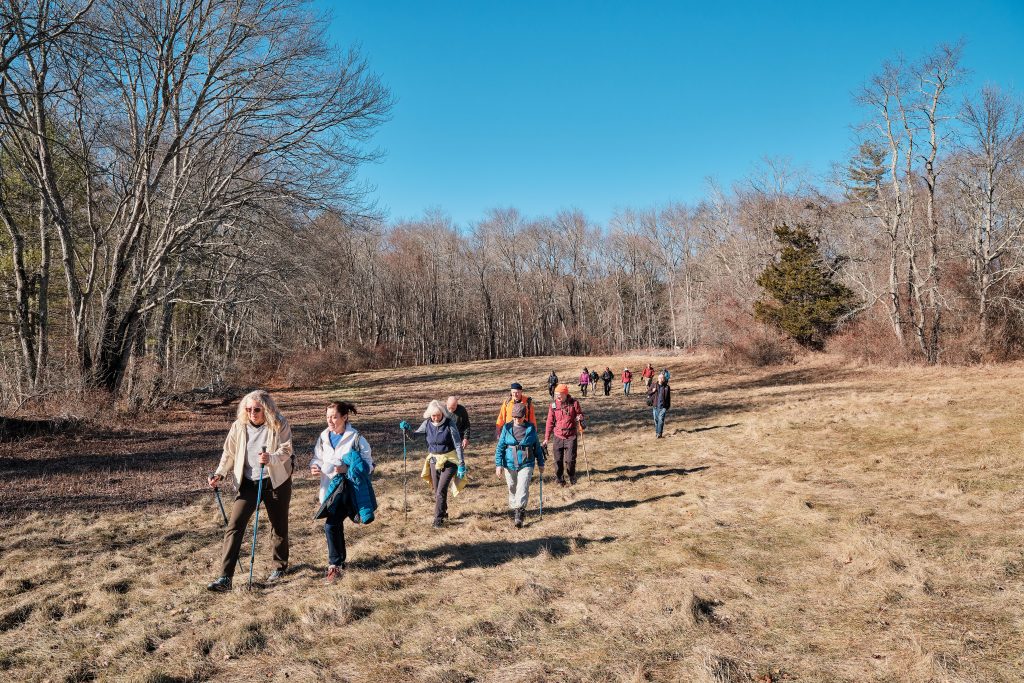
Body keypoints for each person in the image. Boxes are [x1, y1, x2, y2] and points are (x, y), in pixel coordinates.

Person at [207, 390, 294, 592]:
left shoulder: (279, 423)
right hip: (248, 483)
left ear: (266, 409)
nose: (252, 413)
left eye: (256, 409)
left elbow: (287, 449)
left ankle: (280, 567)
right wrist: (219, 474)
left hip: (275, 481)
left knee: (279, 525)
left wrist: (270, 458)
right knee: (234, 526)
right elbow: (229, 453)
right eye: (248, 409)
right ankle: (225, 578)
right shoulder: (239, 426)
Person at [310, 401, 374, 584]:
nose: (330, 420)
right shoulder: (323, 437)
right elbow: (317, 457)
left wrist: (347, 468)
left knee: (331, 525)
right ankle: (340, 562)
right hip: (330, 490)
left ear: (344, 417)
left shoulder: (356, 438)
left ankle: (334, 566)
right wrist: (314, 466)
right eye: (328, 417)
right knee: (335, 525)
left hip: (348, 491)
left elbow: (369, 465)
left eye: (334, 417)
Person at [410, 400, 466, 527]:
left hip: (449, 461)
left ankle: (438, 519)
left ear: (442, 413)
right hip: (434, 461)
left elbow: (458, 444)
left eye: (438, 415)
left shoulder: (449, 424)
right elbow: (414, 436)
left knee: (441, 490)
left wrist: (462, 464)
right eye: (433, 415)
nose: (435, 418)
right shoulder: (427, 423)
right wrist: (407, 430)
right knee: (437, 490)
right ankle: (444, 511)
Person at [495, 403, 545, 527]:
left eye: (519, 417)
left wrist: (541, 462)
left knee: (522, 487)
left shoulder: (531, 429)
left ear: (524, 416)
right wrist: (498, 464)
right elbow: (500, 447)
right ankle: (514, 508)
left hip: (526, 463)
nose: (517, 420)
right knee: (512, 487)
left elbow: (537, 447)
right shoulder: (506, 428)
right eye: (515, 417)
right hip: (509, 463)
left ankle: (519, 513)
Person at [542, 384, 585, 486]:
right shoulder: (553, 406)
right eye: (556, 395)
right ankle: (560, 479)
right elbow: (549, 422)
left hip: (571, 436)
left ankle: (572, 476)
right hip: (558, 436)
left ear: (565, 394)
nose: (558, 397)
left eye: (560, 394)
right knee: (557, 460)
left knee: (570, 460)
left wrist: (580, 417)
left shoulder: (574, 403)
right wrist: (546, 438)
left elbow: (580, 414)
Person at [647, 373, 672, 438]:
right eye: (660, 378)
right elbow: (648, 392)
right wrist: (652, 391)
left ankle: (659, 434)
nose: (661, 379)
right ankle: (657, 432)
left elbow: (668, 397)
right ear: (658, 379)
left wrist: (668, 406)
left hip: (663, 407)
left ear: (664, 379)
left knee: (661, 420)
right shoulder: (653, 385)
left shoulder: (667, 387)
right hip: (655, 406)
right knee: (656, 421)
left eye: (662, 378)